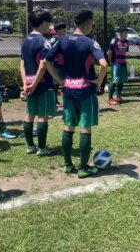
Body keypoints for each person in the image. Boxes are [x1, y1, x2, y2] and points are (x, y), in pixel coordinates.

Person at [45, 10, 108, 178]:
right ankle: (83, 168)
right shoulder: (90, 43)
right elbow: (104, 64)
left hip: (68, 90)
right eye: (92, 24)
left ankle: (67, 164)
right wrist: (99, 82)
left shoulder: (62, 40)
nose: (92, 26)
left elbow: (46, 61)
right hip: (85, 90)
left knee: (68, 127)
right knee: (85, 129)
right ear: (87, 23)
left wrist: (59, 81)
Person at [21, 9, 57, 157]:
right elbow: (43, 65)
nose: (49, 26)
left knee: (29, 114)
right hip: (42, 84)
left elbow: (22, 63)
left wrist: (25, 83)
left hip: (29, 83)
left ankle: (30, 146)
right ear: (43, 23)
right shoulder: (44, 42)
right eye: (48, 23)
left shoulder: (26, 40)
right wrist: (34, 85)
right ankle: (42, 148)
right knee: (43, 115)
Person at [107, 26, 129, 105]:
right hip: (116, 64)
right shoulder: (114, 40)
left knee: (121, 81)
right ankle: (110, 98)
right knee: (115, 81)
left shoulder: (126, 41)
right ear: (120, 33)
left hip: (123, 64)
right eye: (125, 33)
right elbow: (109, 52)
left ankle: (118, 96)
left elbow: (124, 52)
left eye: (127, 33)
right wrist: (110, 62)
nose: (126, 34)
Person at [51, 22, 67, 107]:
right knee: (56, 83)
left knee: (65, 81)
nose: (65, 30)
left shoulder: (63, 38)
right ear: (58, 30)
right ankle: (54, 101)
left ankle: (65, 99)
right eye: (63, 29)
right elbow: (49, 52)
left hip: (63, 64)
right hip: (56, 65)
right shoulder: (54, 39)